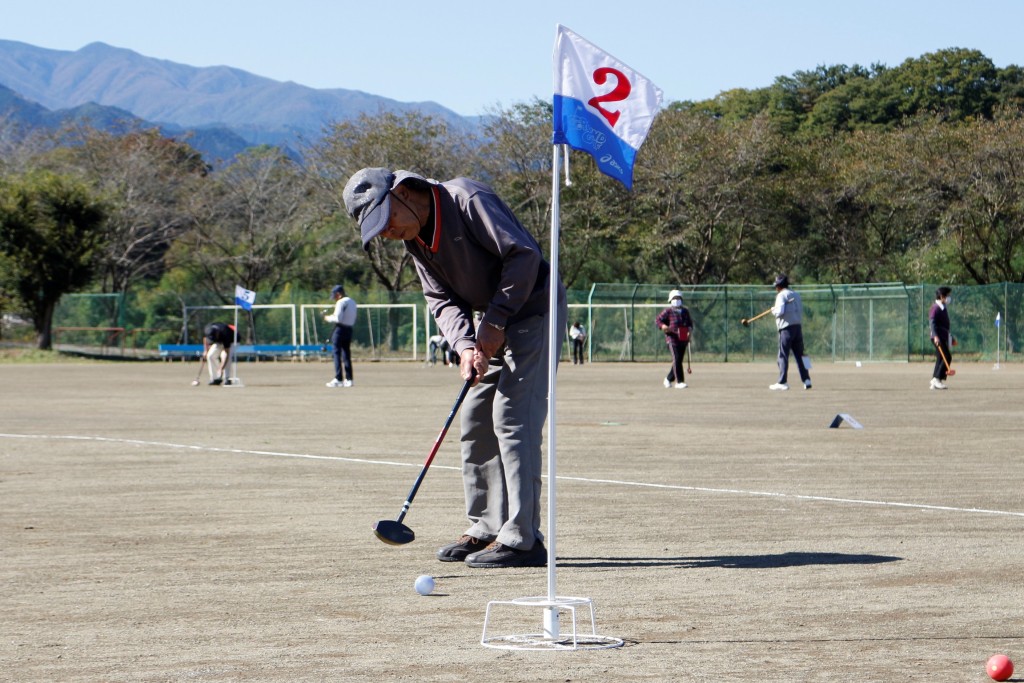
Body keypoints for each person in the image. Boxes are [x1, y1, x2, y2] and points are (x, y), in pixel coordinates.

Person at [343, 167, 566, 569]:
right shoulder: (416, 242)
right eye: (379, 230)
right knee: (476, 420)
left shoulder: (467, 199)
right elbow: (440, 299)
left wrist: (495, 321)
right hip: (490, 323)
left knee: (512, 418)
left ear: (406, 194)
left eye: (387, 219)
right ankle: (486, 527)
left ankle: (522, 539)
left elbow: (523, 255)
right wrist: (465, 345)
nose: (388, 232)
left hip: (534, 311)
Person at [770, 274, 811, 391]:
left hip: (786, 329)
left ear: (779, 286)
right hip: (797, 328)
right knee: (802, 355)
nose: (776, 288)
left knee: (783, 355)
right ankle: (807, 379)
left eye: (776, 286)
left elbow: (780, 311)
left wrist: (773, 310)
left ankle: (782, 382)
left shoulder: (781, 295)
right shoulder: (796, 295)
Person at [656, 290, 693, 388]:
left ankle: (668, 379)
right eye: (674, 298)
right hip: (672, 338)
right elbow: (658, 320)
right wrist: (663, 326)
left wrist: (689, 332)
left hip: (683, 337)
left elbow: (689, 324)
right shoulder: (667, 311)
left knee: (678, 361)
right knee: (676, 358)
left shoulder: (685, 311)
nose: (676, 300)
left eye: (678, 298)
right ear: (670, 300)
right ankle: (679, 381)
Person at [324, 284, 356, 387]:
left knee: (337, 353)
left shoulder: (341, 302)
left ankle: (338, 378)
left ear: (339, 294)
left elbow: (337, 318)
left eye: (334, 296)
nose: (334, 298)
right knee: (346, 354)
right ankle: (349, 378)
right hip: (349, 329)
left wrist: (327, 318)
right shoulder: (352, 301)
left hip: (340, 330)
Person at [929, 286, 954, 390]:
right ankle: (938, 379)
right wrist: (935, 336)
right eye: (947, 295)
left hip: (943, 336)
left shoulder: (943, 308)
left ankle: (935, 379)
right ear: (942, 296)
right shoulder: (935, 308)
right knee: (947, 357)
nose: (949, 298)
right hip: (937, 337)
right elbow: (932, 323)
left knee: (940, 358)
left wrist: (951, 338)